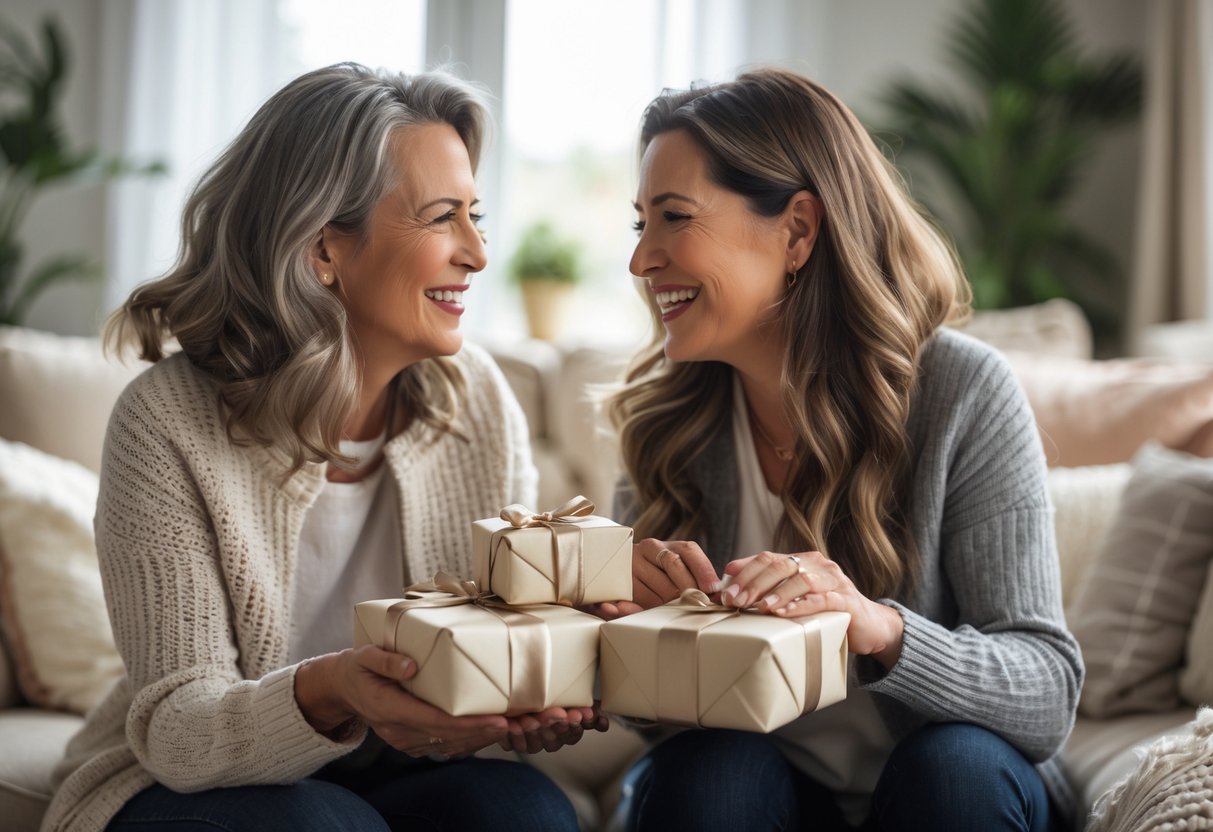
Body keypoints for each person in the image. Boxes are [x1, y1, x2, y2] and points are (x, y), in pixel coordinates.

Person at [41, 63, 599, 832]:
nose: (476, 252)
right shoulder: (166, 421)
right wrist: (333, 689)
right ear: (322, 248)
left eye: (475, 215)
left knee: (524, 811)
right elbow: (178, 728)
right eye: (442, 218)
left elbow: (498, 636)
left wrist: (525, 693)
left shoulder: (477, 399)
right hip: (185, 784)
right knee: (323, 825)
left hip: (395, 769)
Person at [602, 68, 1084, 832]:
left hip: (947, 793)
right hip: (771, 798)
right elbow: (645, 723)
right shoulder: (667, 420)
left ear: (795, 230)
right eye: (640, 225)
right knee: (712, 768)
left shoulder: (960, 395)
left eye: (674, 218)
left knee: (951, 768)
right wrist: (629, 638)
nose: (641, 260)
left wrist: (880, 628)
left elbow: (1045, 688)